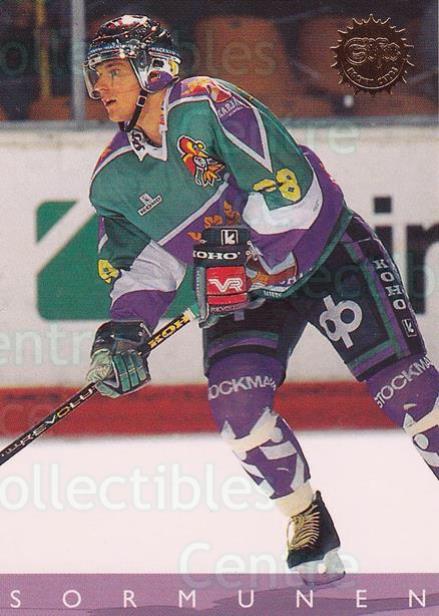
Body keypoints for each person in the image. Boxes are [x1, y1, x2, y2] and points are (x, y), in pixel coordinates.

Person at [83, 15, 439, 584]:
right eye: (94, 74)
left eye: (112, 71)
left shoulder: (207, 103)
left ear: (153, 69)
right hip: (242, 289)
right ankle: (305, 517)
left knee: (411, 391)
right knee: (238, 409)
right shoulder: (113, 179)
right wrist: (125, 328)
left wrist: (245, 258)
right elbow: (144, 263)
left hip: (325, 256)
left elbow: (293, 187)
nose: (99, 86)